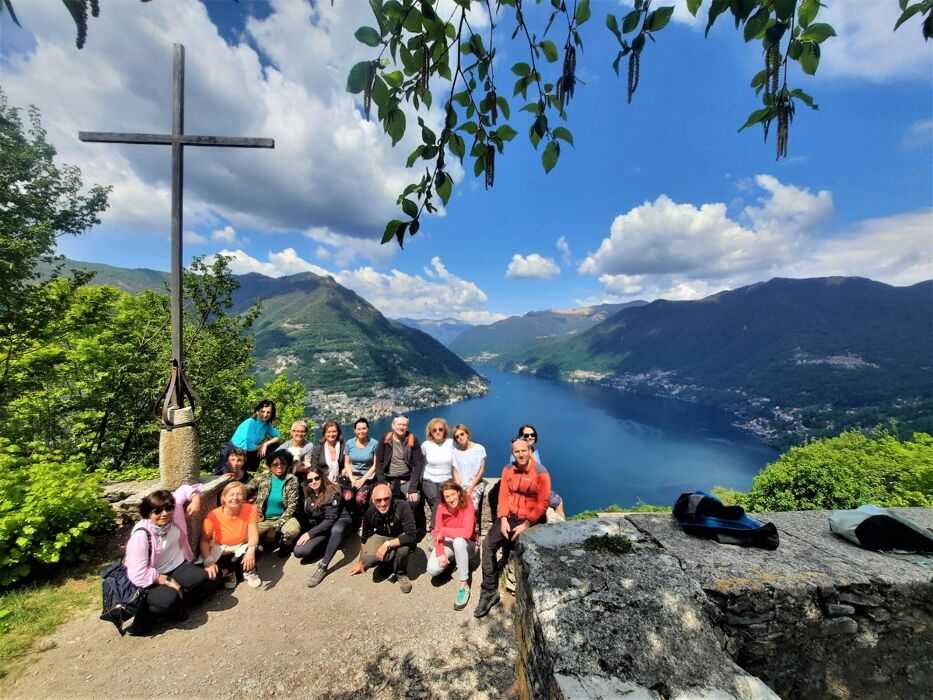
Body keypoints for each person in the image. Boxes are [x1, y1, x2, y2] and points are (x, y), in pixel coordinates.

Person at [474, 438, 550, 618]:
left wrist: (526, 524)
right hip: (509, 517)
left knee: (526, 551)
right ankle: (489, 591)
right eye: (517, 452)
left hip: (529, 519)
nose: (521, 454)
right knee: (487, 545)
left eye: (524, 451)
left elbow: (543, 502)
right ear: (513, 453)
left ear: (530, 451)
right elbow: (503, 495)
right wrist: (503, 519)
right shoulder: (508, 470)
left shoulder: (541, 473)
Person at [124, 486, 207, 635]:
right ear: (148, 513)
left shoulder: (174, 516)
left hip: (174, 565)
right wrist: (168, 581)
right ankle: (144, 620)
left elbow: (184, 489)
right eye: (157, 511)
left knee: (199, 576)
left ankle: (175, 605)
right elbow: (137, 574)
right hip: (149, 577)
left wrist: (196, 499)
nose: (164, 513)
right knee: (167, 597)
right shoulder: (141, 536)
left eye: (169, 508)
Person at [347, 483, 416, 593]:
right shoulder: (370, 513)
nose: (383, 503)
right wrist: (360, 562)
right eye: (378, 500)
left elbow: (411, 535)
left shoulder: (402, 506)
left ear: (391, 498)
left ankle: (401, 573)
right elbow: (364, 539)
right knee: (368, 560)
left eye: (386, 499)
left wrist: (387, 545)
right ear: (373, 501)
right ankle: (389, 563)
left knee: (403, 550)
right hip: (383, 536)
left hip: (400, 536)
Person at [293, 467, 353, 587]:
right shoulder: (307, 491)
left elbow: (330, 520)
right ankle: (329, 544)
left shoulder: (332, 491)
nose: (314, 482)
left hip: (339, 521)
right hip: (322, 525)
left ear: (322, 477)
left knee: (336, 530)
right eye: (310, 480)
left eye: (317, 478)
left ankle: (323, 566)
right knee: (299, 551)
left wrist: (309, 534)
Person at [426, 480, 477, 611]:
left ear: (458, 493)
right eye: (447, 496)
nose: (451, 499)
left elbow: (466, 533)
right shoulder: (441, 508)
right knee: (432, 569)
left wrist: (444, 531)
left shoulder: (468, 504)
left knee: (459, 541)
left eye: (453, 494)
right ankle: (454, 560)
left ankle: (464, 585)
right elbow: (437, 532)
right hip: (449, 541)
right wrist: (440, 552)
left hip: (468, 544)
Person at [200, 481, 262, 590]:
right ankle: (229, 571)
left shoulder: (250, 509)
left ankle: (248, 570)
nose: (235, 498)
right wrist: (209, 561)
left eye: (239, 494)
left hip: (241, 546)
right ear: (223, 497)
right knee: (210, 578)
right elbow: (204, 541)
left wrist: (251, 550)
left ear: (243, 497)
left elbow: (253, 535)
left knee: (258, 550)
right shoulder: (213, 515)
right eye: (231, 494)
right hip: (221, 550)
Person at [375, 413, 426, 540]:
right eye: (399, 424)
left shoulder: (412, 440)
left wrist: (413, 488)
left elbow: (419, 464)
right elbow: (379, 462)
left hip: (407, 478)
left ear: (407, 427)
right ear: (393, 425)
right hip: (389, 478)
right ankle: (385, 528)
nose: (401, 427)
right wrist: (382, 482)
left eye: (404, 425)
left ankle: (412, 531)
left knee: (414, 502)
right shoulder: (385, 439)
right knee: (378, 500)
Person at [215, 399, 281, 475]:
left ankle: (263, 468)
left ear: (272, 414)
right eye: (262, 411)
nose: (265, 414)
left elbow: (278, 437)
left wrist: (266, 443)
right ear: (257, 411)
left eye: (268, 412)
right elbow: (250, 447)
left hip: (248, 452)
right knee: (220, 476)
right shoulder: (250, 423)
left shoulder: (266, 424)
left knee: (274, 445)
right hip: (233, 451)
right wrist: (262, 445)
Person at [253, 450, 301, 550]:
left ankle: (285, 543)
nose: (279, 466)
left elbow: (292, 507)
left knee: (292, 530)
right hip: (263, 519)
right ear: (269, 466)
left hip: (283, 518)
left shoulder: (292, 479)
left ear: (287, 465)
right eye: (275, 464)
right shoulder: (264, 477)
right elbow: (245, 488)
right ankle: (266, 542)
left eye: (283, 463)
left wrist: (275, 528)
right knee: (246, 533)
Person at [421, 417, 458, 533]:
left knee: (439, 503)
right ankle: (438, 529)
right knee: (438, 502)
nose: (437, 432)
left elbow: (461, 455)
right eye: (434, 430)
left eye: (440, 429)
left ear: (445, 430)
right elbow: (418, 462)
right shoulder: (426, 445)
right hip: (429, 479)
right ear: (430, 432)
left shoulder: (451, 443)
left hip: (446, 479)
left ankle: (435, 529)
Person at [342, 417, 378, 513]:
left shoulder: (374, 444)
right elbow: (347, 463)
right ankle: (351, 516)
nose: (361, 431)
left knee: (360, 499)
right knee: (347, 497)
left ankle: (363, 516)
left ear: (368, 429)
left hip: (367, 477)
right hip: (352, 476)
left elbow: (375, 465)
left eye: (364, 428)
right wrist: (352, 480)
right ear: (355, 430)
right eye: (359, 429)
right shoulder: (349, 443)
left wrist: (362, 480)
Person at [451, 423, 486, 514]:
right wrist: (459, 488)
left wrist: (470, 488)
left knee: (472, 508)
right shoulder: (455, 452)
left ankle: (473, 523)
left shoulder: (479, 449)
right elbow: (456, 471)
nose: (460, 437)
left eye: (462, 434)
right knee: (455, 506)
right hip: (461, 485)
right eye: (457, 436)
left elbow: (481, 470)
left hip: (476, 484)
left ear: (467, 434)